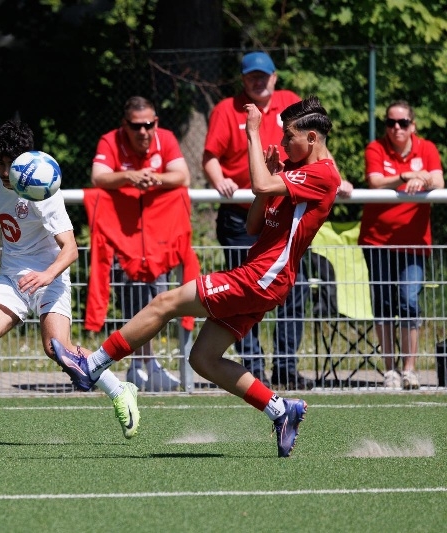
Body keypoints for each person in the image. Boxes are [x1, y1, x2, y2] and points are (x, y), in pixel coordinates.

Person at [53, 96, 342, 457]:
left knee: (166, 302)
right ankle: (281, 410)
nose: (282, 143)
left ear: (312, 139)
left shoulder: (323, 173)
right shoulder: (297, 171)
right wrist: (270, 179)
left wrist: (253, 134)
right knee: (203, 359)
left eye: (289, 137)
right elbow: (253, 224)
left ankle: (92, 365)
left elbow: (260, 185)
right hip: (261, 277)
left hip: (262, 277)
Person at [0, 119, 141, 439]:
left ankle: (119, 390)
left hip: (51, 277)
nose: (4, 171)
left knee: (57, 349)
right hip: (12, 276)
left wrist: (46, 275)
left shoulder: (42, 190)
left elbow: (70, 249)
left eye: (10, 164)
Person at [202, 51, 353, 391]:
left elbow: (316, 146)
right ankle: (254, 369)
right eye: (251, 76)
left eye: (263, 75)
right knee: (237, 298)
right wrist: (221, 180)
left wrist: (333, 175)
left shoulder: (290, 106)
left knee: (291, 290)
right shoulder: (226, 109)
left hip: (282, 217)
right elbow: (212, 157)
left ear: (274, 77)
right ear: (243, 80)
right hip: (245, 215)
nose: (283, 143)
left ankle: (285, 367)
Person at [84, 95, 199, 392]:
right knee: (132, 302)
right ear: (125, 124)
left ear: (156, 122)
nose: (144, 131)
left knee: (159, 300)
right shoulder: (110, 140)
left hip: (159, 238)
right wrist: (129, 177)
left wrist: (154, 179)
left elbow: (182, 176)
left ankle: (147, 364)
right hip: (124, 237)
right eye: (136, 126)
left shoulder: (166, 138)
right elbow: (98, 177)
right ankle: (139, 364)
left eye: (149, 124)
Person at [359, 100, 445, 390]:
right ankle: (390, 370)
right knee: (383, 304)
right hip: (377, 241)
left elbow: (438, 179)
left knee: (409, 302)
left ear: (413, 125)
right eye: (391, 122)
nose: (396, 128)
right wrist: (405, 176)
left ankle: (409, 370)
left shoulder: (427, 148)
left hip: (414, 243)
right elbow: (375, 182)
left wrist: (424, 179)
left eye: (403, 122)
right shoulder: (375, 148)